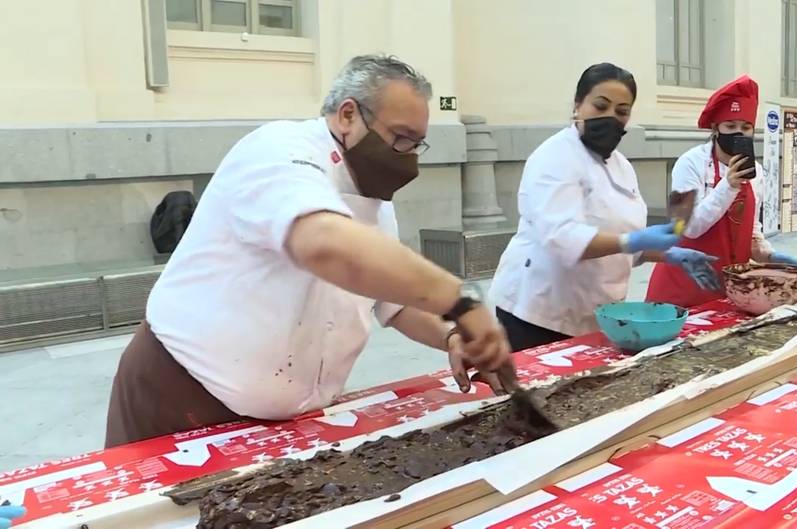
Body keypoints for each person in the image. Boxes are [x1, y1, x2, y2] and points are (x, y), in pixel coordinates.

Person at [104, 55, 513, 447]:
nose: (407, 159)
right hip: (183, 395)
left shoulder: (374, 199)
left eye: (416, 145)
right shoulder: (278, 150)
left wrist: (452, 335)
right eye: (400, 139)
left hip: (293, 418)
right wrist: (461, 302)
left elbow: (395, 304)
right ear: (348, 114)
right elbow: (324, 244)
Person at [488, 63, 718, 352]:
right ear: (577, 106)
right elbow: (563, 238)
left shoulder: (622, 166)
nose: (610, 117)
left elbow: (624, 241)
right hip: (538, 312)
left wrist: (669, 254)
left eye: (622, 111)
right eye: (600, 106)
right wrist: (633, 240)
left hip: (595, 311)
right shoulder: (554, 157)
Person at [645, 75, 797, 309]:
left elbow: (750, 230)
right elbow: (689, 227)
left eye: (746, 127)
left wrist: (768, 256)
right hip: (682, 287)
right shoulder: (689, 164)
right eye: (730, 126)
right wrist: (728, 186)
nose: (738, 133)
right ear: (715, 128)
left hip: (731, 288)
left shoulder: (756, 171)